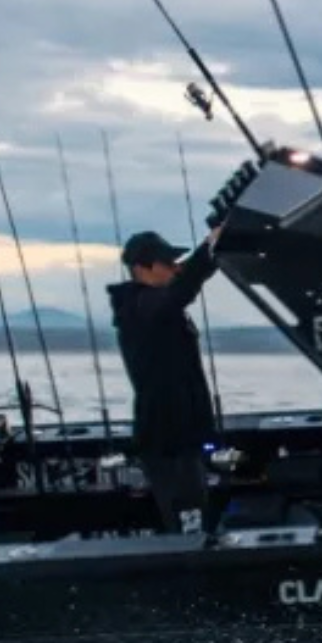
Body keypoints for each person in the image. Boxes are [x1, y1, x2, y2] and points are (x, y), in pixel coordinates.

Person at [108, 225, 224, 538]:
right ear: (142, 268)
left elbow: (188, 279)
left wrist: (213, 249)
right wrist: (206, 251)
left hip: (185, 430)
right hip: (165, 435)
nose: (175, 267)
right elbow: (183, 288)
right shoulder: (139, 306)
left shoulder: (158, 305)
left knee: (196, 507)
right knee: (186, 519)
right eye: (166, 263)